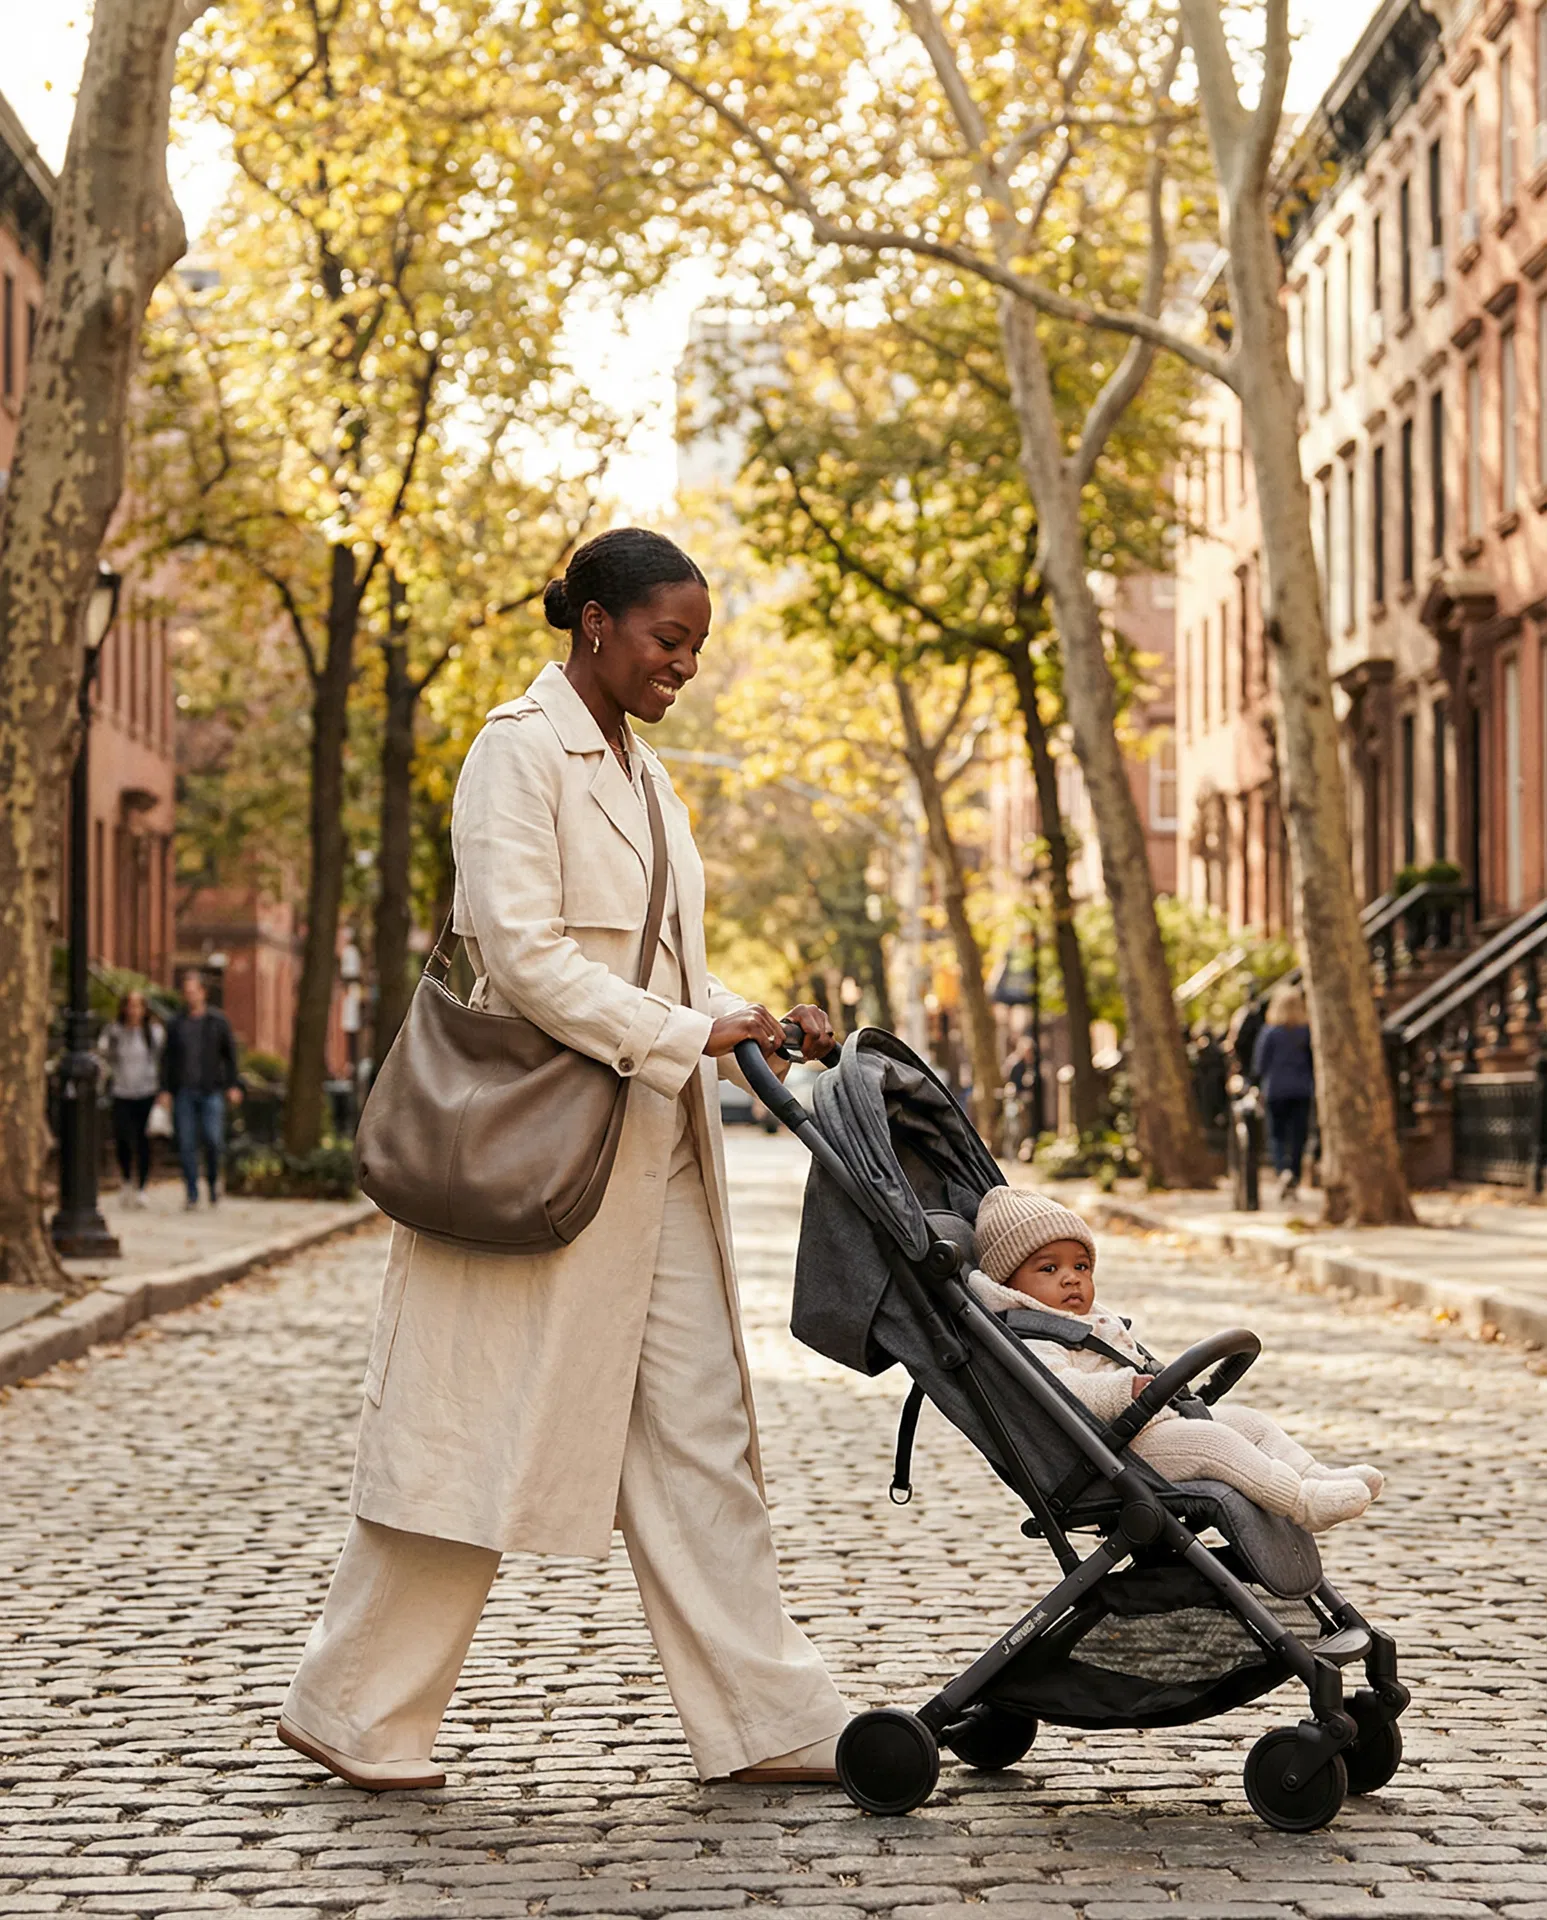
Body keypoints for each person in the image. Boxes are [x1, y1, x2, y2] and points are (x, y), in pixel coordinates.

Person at [279, 528, 851, 1794]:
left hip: (656, 1164)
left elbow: (665, 978)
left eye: (696, 644)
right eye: (667, 638)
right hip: (534, 1155)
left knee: (703, 1436)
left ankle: (767, 1716)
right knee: (463, 1433)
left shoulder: (650, 781)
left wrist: (749, 1016)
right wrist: (688, 1033)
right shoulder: (515, 752)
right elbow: (522, 956)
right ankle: (352, 1706)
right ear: (593, 624)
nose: (684, 663)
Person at [968, 1187, 1382, 1534]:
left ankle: (1315, 1475)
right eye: (1049, 1268)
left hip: (1141, 1432)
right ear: (1009, 1282)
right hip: (1106, 1457)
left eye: (1081, 1265)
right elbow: (1061, 1391)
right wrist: (1122, 1391)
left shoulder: (1088, 1321)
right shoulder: (1030, 1338)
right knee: (1215, 1444)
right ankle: (1302, 1502)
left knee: (1251, 1424)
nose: (1071, 1277)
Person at [160, 968, 242, 1209]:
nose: (190, 996)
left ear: (203, 993)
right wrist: (164, 1089)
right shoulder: (175, 1024)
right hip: (184, 1091)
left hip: (211, 1091)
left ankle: (214, 1183)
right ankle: (192, 1193)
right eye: (186, 992)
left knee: (213, 1140)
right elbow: (166, 1059)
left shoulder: (218, 1022)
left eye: (193, 991)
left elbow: (230, 1057)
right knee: (186, 1144)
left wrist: (233, 1085)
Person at [99, 990, 165, 1207]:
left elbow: (163, 1061)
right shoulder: (114, 1031)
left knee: (144, 1141)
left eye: (138, 1006)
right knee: (123, 1139)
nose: (134, 1010)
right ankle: (127, 1180)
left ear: (144, 1009)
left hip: (147, 1091)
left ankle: (142, 1187)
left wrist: (163, 1093)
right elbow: (103, 1054)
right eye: (130, 1005)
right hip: (121, 1091)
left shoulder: (153, 1032)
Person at [1252, 982, 1315, 1199]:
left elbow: (1259, 1064)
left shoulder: (1270, 1032)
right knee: (1298, 1136)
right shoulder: (1305, 1032)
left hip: (1276, 1089)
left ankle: (1282, 1171)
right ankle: (1294, 1175)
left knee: (1277, 1136)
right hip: (1301, 1089)